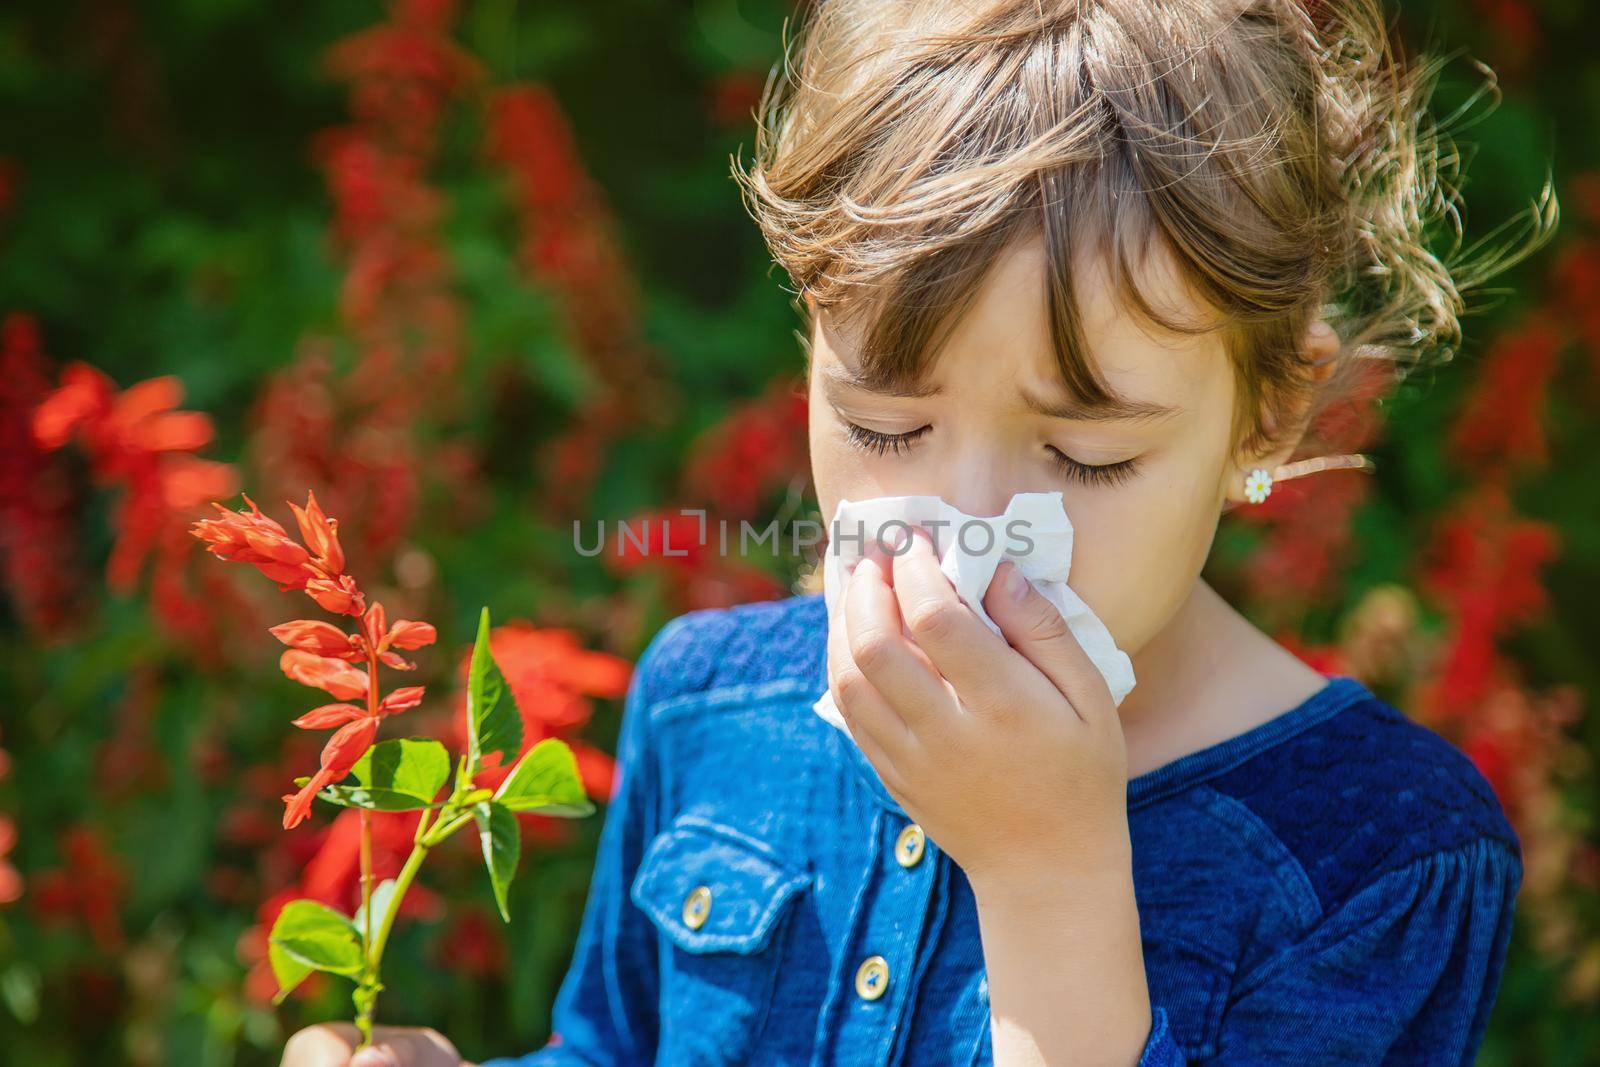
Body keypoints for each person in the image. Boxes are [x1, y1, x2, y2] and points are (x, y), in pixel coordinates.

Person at [284, 0, 1556, 1063]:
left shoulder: (1380, 857)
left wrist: (1047, 875)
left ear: (1265, 417)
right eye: (887, 428)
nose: (964, 530)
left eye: (1086, 453)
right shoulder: (706, 707)